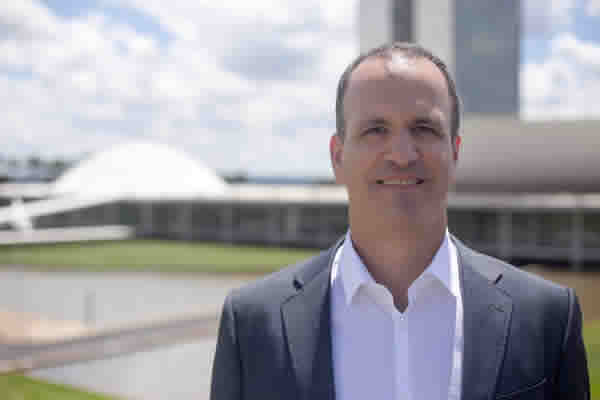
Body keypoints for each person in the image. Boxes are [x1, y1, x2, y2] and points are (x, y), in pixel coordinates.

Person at [210, 42, 590, 400]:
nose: (402, 154)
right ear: (338, 157)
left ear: (454, 152)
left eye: (424, 129)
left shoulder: (546, 318)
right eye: (375, 130)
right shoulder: (252, 323)